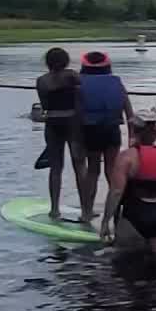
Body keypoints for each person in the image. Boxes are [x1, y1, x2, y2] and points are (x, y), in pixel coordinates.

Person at [100, 117, 156, 258]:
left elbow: (116, 193)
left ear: (135, 132)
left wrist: (105, 222)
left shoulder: (126, 157)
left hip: (135, 218)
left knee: (127, 266)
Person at [77, 50, 138, 221]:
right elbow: (129, 113)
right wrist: (132, 139)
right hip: (112, 130)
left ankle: (87, 213)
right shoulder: (117, 83)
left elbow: (77, 113)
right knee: (112, 170)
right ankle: (118, 212)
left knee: (93, 170)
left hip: (90, 131)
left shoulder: (79, 84)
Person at [35, 47, 86, 220]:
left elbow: (44, 105)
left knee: (56, 168)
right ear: (65, 61)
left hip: (52, 123)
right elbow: (82, 97)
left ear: (48, 62)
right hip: (72, 122)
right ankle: (86, 209)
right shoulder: (72, 75)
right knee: (79, 166)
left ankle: (55, 209)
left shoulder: (41, 81)